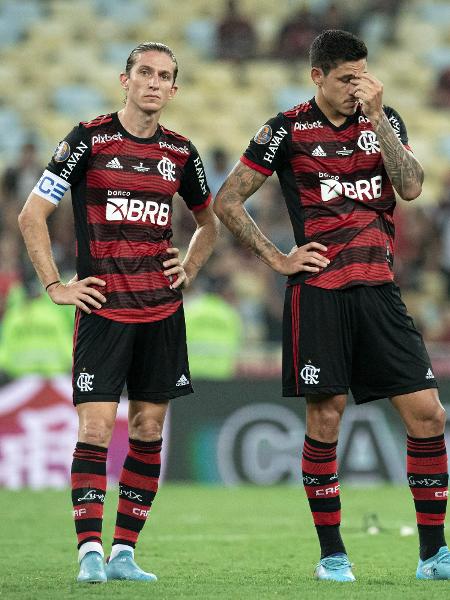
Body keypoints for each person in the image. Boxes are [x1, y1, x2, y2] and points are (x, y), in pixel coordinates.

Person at [214, 29, 449, 582]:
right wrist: (277, 258)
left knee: (429, 415)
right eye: (345, 79)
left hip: (379, 290)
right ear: (316, 76)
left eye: (362, 77)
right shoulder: (286, 129)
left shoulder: (383, 121)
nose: (356, 88)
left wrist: (378, 119)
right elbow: (227, 200)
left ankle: (434, 554)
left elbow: (411, 187)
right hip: (319, 294)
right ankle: (332, 556)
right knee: (325, 418)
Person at [18, 42, 218, 584]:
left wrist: (191, 266)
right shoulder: (87, 140)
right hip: (105, 312)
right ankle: (88, 550)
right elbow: (32, 214)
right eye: (145, 73)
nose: (154, 83)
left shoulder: (181, 153)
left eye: (165, 77)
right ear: (124, 80)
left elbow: (209, 221)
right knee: (98, 428)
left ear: (174, 90)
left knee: (149, 429)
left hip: (161, 312)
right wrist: (55, 284)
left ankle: (124, 551)